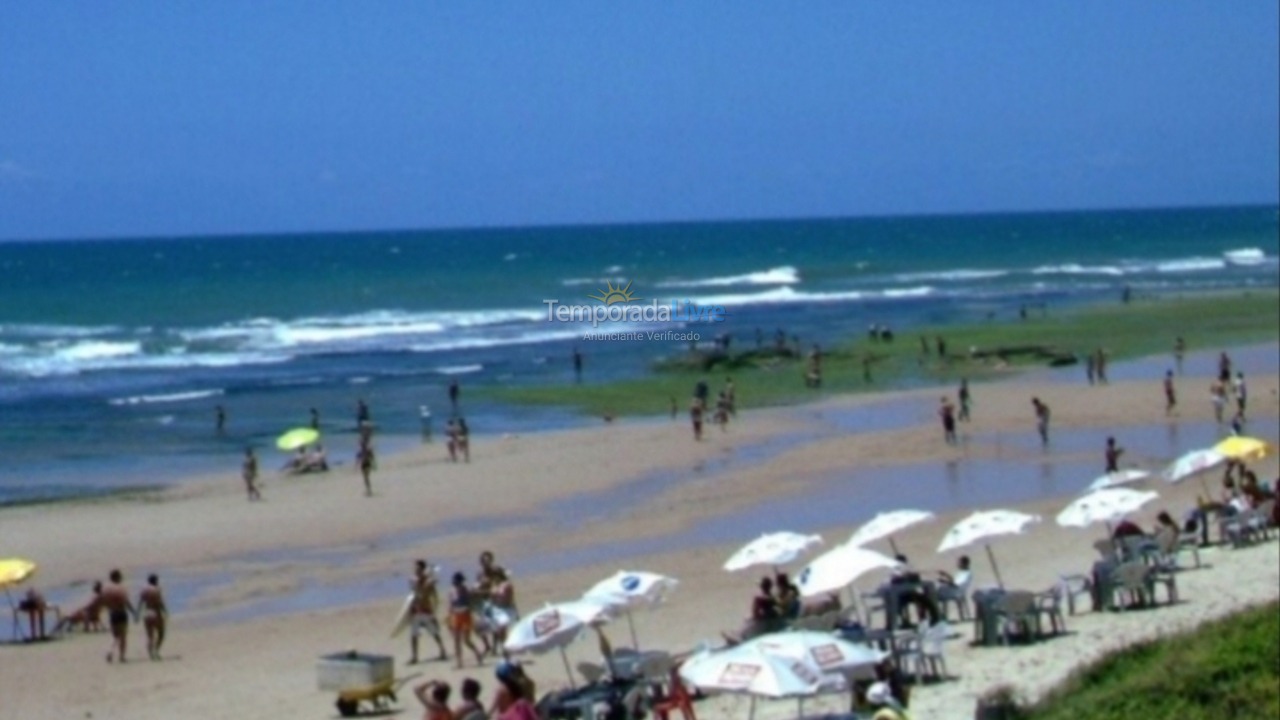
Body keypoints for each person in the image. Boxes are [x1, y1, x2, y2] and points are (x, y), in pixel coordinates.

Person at [409, 560, 448, 664]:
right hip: (416, 611)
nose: (416, 570)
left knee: (434, 632)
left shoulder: (429, 582)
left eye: (418, 568)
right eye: (415, 568)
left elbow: (434, 595)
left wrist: (435, 610)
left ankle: (443, 650)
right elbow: (413, 593)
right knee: (414, 634)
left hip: (426, 610)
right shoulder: (414, 580)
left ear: (422, 569)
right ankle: (414, 657)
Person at [447, 572, 486, 669]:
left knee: (466, 640)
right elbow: (451, 605)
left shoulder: (466, 590)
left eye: (457, 581)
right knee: (456, 640)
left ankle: (477, 654)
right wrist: (449, 616)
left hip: (466, 615)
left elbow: (474, 597)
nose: (456, 583)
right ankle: (459, 662)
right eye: (455, 581)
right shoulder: (451, 591)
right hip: (456, 615)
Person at [102, 568, 139, 663]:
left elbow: (104, 603)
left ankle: (110, 651)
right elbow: (126, 602)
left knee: (115, 636)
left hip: (112, 613)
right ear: (118, 577)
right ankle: (122, 657)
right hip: (121, 613)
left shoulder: (106, 590)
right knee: (123, 636)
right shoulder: (121, 588)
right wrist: (134, 612)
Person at [138, 573, 167, 660]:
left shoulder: (144, 590)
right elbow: (160, 602)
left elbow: (140, 603)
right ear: (155, 581)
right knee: (161, 633)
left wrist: (137, 614)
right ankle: (156, 651)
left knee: (150, 636)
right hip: (155, 612)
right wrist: (165, 611)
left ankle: (151, 654)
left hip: (147, 613)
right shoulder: (157, 589)